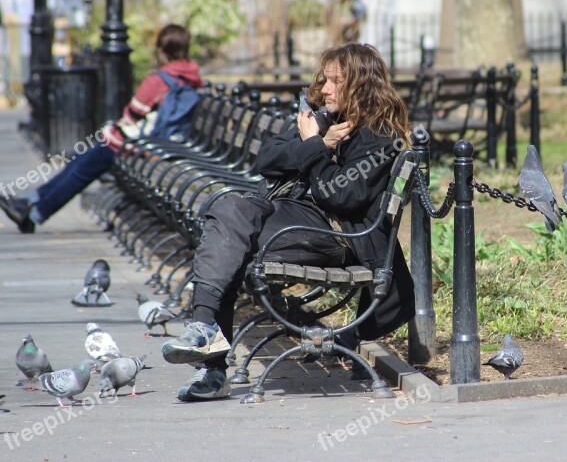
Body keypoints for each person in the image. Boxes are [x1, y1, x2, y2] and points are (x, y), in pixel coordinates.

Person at [160, 43, 415, 401]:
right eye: (325, 79)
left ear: (361, 84)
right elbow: (267, 159)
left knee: (230, 241)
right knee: (230, 212)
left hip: (334, 234)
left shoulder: (379, 136)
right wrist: (318, 140)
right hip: (294, 217)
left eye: (335, 81)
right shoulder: (321, 116)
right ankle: (202, 328)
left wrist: (314, 145)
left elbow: (339, 195)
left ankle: (214, 368)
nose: (324, 89)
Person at [0, 24, 202, 233]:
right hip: (162, 143)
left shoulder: (159, 79)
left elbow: (132, 115)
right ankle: (30, 204)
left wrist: (113, 128)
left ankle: (33, 214)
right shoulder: (193, 77)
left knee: (82, 168)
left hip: (141, 146)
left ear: (161, 50)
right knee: (80, 161)